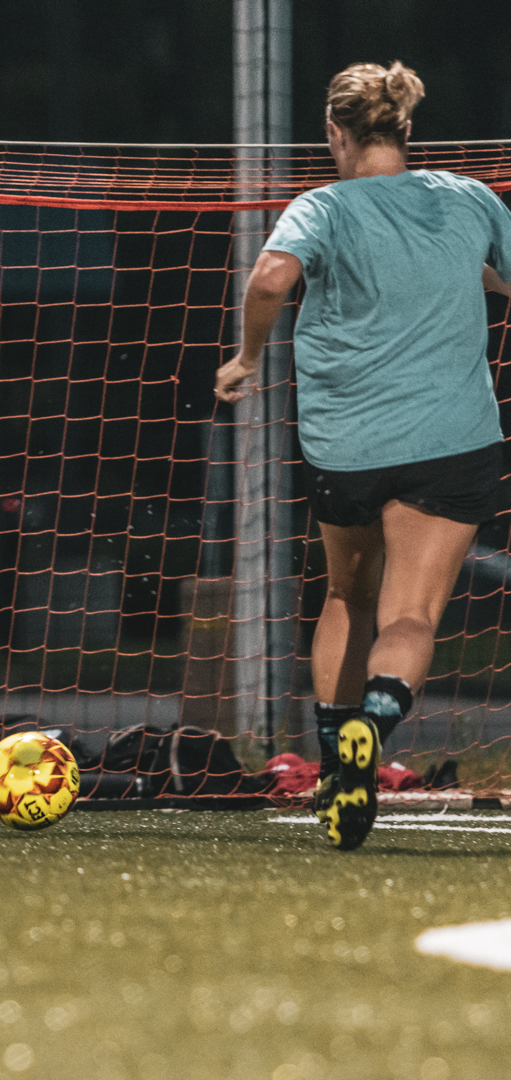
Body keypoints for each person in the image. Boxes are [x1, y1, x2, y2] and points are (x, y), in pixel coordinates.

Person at [214, 61, 511, 850]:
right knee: (410, 615)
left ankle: (334, 767)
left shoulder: (322, 206)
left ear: (334, 132)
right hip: (452, 442)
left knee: (347, 594)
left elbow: (270, 279)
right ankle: (372, 729)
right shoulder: (469, 197)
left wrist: (247, 358)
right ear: (407, 128)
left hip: (347, 445)